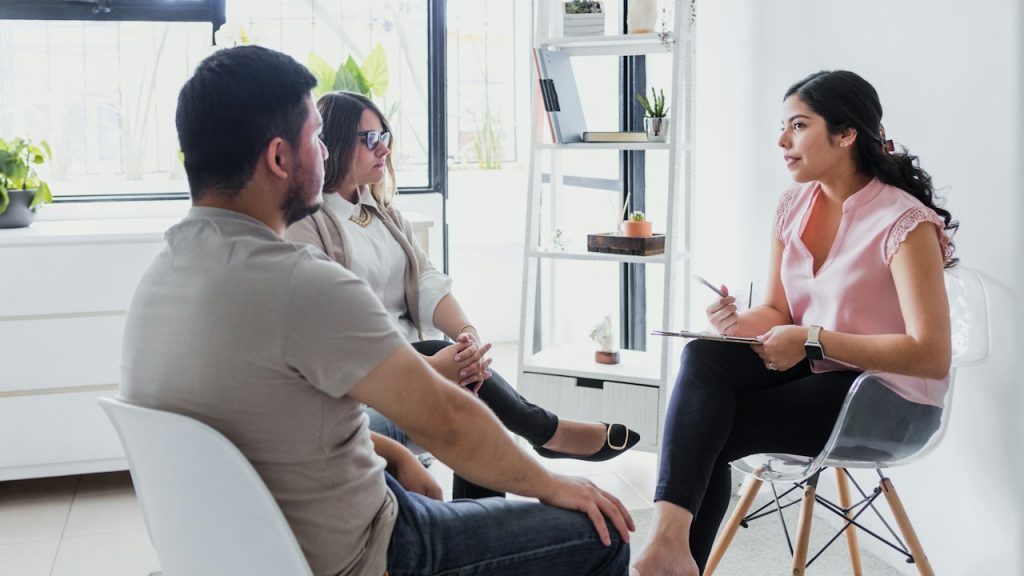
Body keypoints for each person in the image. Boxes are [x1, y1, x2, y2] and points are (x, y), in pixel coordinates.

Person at [121, 45, 633, 576]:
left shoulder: (157, 281)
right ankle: (552, 448)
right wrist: (555, 485)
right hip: (368, 552)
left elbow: (270, 425)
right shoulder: (301, 283)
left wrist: (401, 456)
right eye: (316, 137)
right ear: (279, 159)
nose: (324, 151)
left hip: (246, 547)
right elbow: (448, 421)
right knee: (601, 530)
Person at [632, 70, 958, 576]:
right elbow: (779, 312)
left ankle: (672, 559)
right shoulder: (793, 205)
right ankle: (669, 543)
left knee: (712, 428)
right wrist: (737, 322)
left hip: (886, 396)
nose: (782, 141)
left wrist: (811, 340)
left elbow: (931, 355)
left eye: (799, 125)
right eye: (783, 126)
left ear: (846, 134)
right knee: (704, 357)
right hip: (819, 367)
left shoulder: (904, 222)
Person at [284, 90, 641, 499]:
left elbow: (429, 282)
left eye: (385, 135)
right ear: (333, 145)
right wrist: (430, 369)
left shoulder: (385, 214)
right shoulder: (308, 223)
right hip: (368, 376)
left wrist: (467, 335)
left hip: (410, 360)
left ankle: (503, 486)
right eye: (368, 139)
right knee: (460, 375)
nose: (383, 147)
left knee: (469, 375)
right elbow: (332, 336)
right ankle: (546, 431)